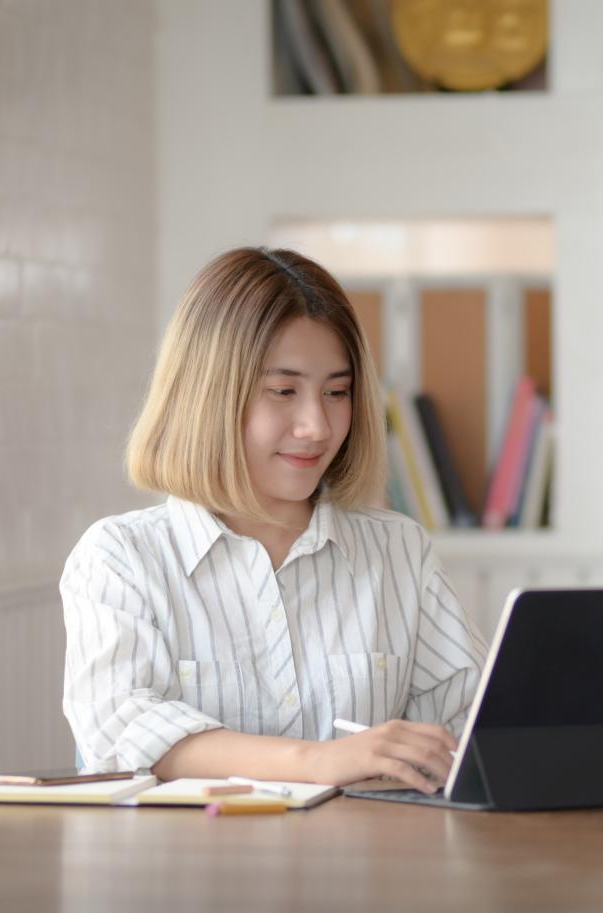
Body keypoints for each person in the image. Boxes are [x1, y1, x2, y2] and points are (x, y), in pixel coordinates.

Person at [60, 247, 487, 794]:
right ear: (208, 397)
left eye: (337, 392)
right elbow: (120, 727)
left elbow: (470, 724)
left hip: (366, 872)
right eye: (283, 392)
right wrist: (320, 761)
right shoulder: (120, 557)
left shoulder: (398, 550)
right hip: (182, 875)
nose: (316, 425)